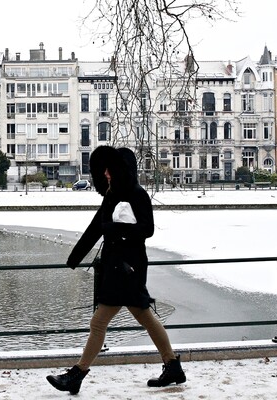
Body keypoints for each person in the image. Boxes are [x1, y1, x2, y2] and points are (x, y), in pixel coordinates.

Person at [46, 145, 185, 394]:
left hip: (127, 268)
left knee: (99, 322)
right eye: (104, 170)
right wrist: (75, 257)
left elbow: (147, 229)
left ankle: (77, 374)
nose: (106, 175)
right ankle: (172, 365)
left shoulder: (137, 194)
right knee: (145, 318)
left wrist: (116, 230)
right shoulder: (111, 195)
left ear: (122, 170)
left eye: (110, 170)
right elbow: (95, 227)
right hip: (117, 268)